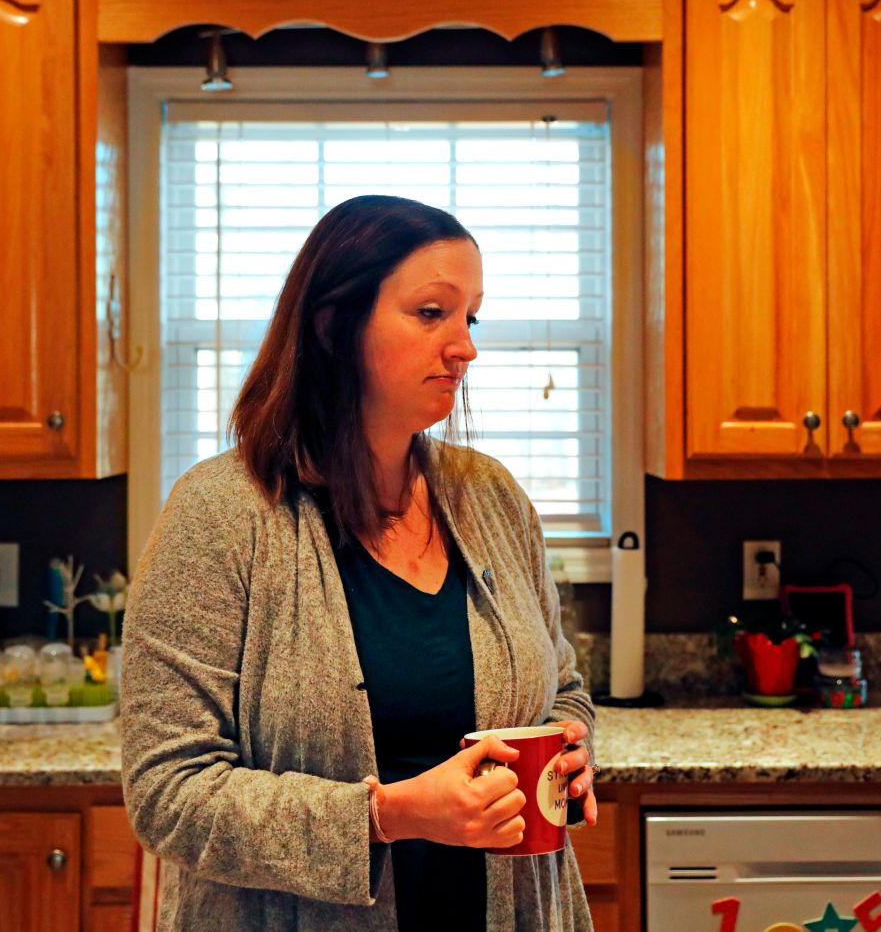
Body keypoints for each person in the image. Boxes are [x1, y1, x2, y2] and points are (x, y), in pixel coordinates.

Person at [120, 194, 599, 932]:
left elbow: (561, 687)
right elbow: (169, 792)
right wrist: (389, 815)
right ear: (333, 326)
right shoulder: (222, 514)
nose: (464, 346)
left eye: (470, 318)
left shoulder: (492, 497)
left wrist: (570, 749)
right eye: (432, 313)